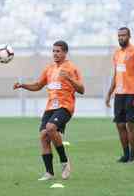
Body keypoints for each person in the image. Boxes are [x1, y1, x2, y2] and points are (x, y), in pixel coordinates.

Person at [13, 40, 84, 180]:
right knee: (44, 136)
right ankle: (49, 173)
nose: (55, 54)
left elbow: (82, 89)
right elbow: (38, 85)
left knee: (51, 128)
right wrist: (23, 85)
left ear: (65, 52)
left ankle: (64, 162)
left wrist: (69, 78)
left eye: (58, 51)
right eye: (53, 51)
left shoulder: (71, 68)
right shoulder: (49, 68)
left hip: (65, 106)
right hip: (50, 107)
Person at [106, 27, 134, 163]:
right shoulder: (117, 53)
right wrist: (109, 93)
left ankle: (133, 156)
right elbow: (116, 74)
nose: (120, 38)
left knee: (130, 125)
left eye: (123, 35)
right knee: (119, 125)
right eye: (119, 36)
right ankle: (125, 154)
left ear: (129, 36)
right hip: (119, 94)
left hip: (131, 93)